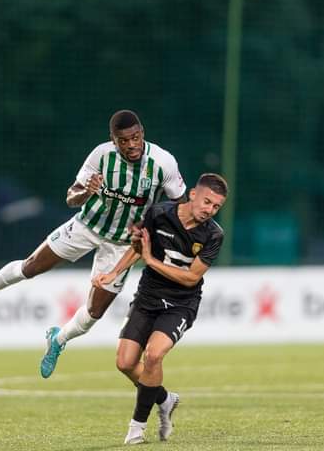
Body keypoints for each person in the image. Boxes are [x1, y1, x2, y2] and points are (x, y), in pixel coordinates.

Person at [0, 110, 187, 379]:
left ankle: (58, 340)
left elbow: (178, 203)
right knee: (31, 266)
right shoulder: (101, 156)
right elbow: (71, 197)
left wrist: (150, 227)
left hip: (121, 243)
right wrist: (87, 190)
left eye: (135, 138)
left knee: (94, 313)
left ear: (143, 133)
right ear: (113, 140)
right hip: (86, 227)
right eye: (123, 140)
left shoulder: (163, 162)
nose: (131, 145)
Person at [92, 173, 228, 444]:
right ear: (192, 194)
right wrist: (113, 273)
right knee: (125, 363)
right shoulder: (159, 212)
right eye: (207, 202)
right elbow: (137, 247)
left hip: (181, 304)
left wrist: (151, 261)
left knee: (153, 356)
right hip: (148, 297)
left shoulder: (213, 234)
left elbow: (191, 277)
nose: (209, 210)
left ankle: (136, 428)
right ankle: (164, 399)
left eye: (216, 207)